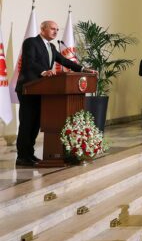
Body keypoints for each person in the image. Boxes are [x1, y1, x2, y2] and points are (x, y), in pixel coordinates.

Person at [16, 21, 89, 166]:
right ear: (43, 29)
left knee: (36, 124)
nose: (55, 32)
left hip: (43, 90)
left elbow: (64, 61)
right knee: (27, 123)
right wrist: (43, 71)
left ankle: (29, 154)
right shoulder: (31, 42)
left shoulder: (51, 47)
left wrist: (82, 69)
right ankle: (22, 156)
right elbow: (29, 62)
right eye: (52, 29)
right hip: (29, 89)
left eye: (57, 29)